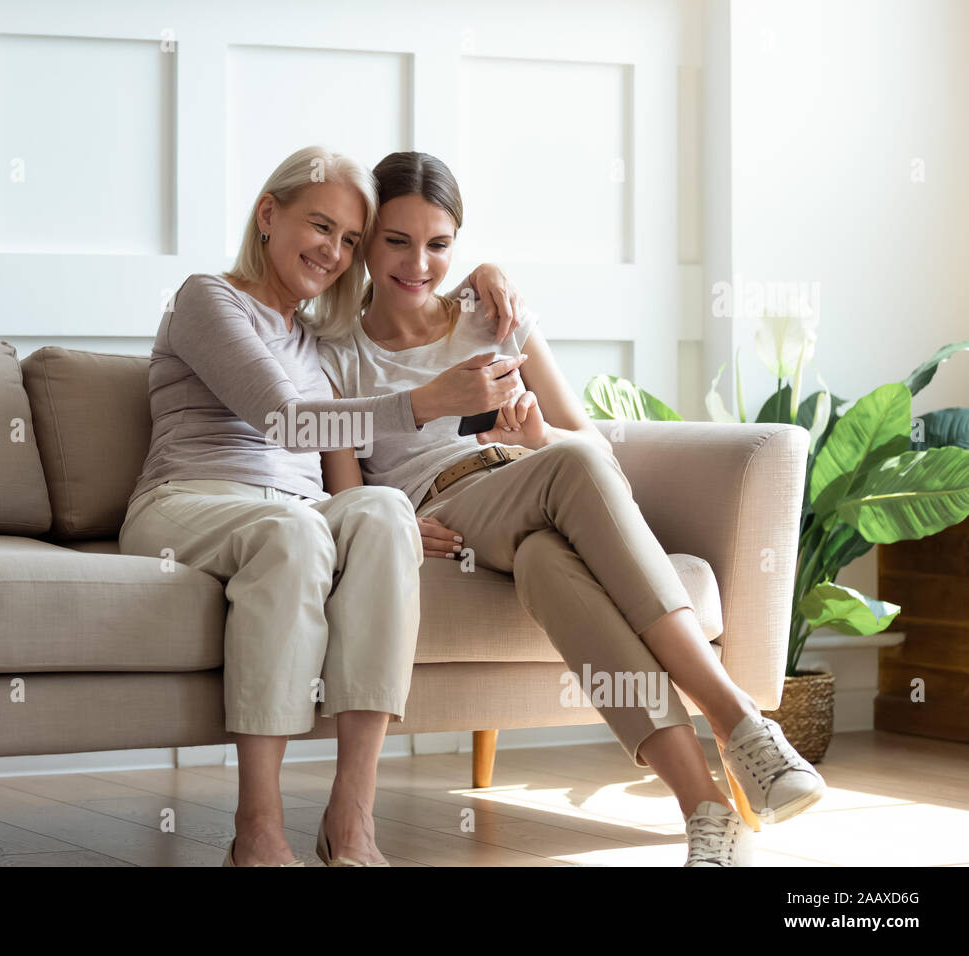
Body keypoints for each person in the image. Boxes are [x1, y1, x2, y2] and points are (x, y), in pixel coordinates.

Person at [317, 150, 826, 866]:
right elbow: (345, 491)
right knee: (572, 471)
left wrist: (536, 435)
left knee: (547, 561)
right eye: (397, 241)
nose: (418, 264)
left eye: (438, 244)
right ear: (367, 241)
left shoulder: (490, 314)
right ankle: (736, 716)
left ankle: (705, 809)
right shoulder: (339, 352)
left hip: (533, 489)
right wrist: (395, 523)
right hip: (451, 506)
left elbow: (588, 444)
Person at [119, 145, 528, 866]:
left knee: (379, 511)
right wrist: (428, 402)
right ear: (268, 215)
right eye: (321, 227)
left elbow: (422, 283)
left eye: (348, 240)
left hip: (295, 513)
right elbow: (285, 420)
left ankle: (351, 819)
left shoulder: (316, 338)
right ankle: (260, 830)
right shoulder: (206, 299)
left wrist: (484, 276)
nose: (335, 252)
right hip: (191, 500)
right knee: (294, 534)